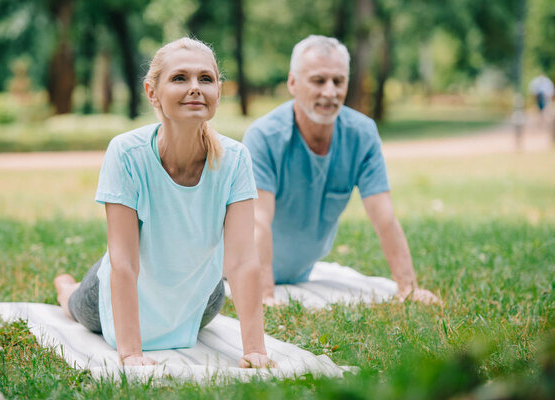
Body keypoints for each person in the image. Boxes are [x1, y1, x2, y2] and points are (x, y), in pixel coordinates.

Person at [54, 38, 275, 368]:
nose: (195, 88)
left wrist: (255, 350)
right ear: (151, 92)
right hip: (114, 294)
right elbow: (123, 262)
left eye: (206, 79)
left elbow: (242, 261)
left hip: (199, 302)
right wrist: (131, 354)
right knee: (74, 304)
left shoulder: (236, 158)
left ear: (218, 90)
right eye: (179, 78)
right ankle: (64, 285)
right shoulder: (126, 153)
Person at [242, 35, 440, 306]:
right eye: (318, 80)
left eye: (338, 81)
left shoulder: (362, 134)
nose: (330, 92)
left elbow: (384, 217)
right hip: (233, 268)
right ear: (292, 83)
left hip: (298, 273)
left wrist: (408, 288)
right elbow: (258, 222)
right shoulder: (263, 136)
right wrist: (265, 295)